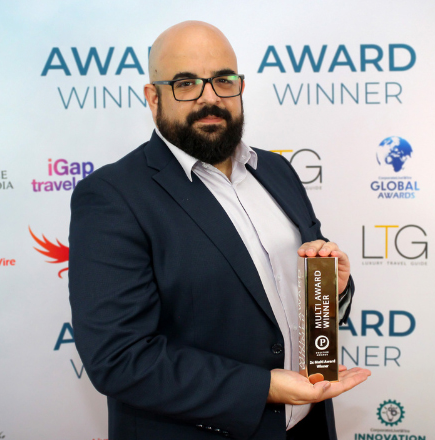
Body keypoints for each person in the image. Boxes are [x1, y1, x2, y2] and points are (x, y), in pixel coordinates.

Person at [68, 21, 371, 440]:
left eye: (223, 80)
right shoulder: (112, 195)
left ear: (240, 86)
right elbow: (120, 358)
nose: (210, 97)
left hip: (307, 426)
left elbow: (287, 303)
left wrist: (331, 293)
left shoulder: (276, 170)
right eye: (186, 83)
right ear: (153, 97)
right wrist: (263, 387)